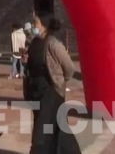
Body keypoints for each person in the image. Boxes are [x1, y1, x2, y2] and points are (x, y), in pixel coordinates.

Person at [24, 11, 81, 154]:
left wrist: (61, 81)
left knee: (42, 130)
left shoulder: (53, 44)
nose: (33, 26)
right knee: (55, 128)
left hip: (51, 92)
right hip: (36, 91)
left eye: (36, 23)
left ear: (44, 25)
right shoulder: (34, 43)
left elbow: (69, 67)